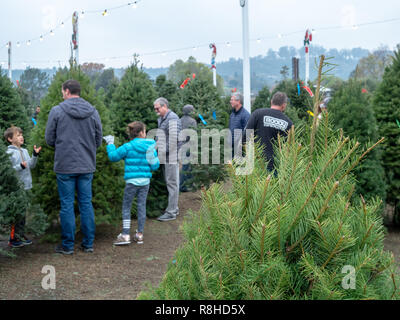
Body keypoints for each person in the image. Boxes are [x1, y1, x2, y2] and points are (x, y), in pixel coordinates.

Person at [45, 79, 102, 255]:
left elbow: (49, 139)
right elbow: (98, 140)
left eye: (63, 91)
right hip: (86, 165)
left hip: (65, 165)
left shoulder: (57, 111)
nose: (62, 94)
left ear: (67, 91)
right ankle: (88, 244)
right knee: (86, 203)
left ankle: (68, 246)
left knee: (67, 205)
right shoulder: (93, 112)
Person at [103, 121, 159, 246]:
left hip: (131, 182)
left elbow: (113, 157)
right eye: (145, 130)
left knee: (127, 207)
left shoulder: (128, 146)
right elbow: (155, 166)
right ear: (141, 133)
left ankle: (125, 234)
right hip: (145, 182)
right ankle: (139, 235)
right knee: (141, 206)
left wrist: (110, 143)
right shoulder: (150, 147)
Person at [4, 126, 41, 248]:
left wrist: (34, 155)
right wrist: (20, 166)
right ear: (10, 139)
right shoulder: (8, 153)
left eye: (21, 135)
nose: (21, 137)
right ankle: (13, 238)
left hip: (26, 186)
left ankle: (20, 234)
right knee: (17, 213)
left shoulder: (24, 151)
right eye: (18, 135)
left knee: (23, 213)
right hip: (16, 188)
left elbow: (31, 165)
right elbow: (8, 171)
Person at [244, 91, 293, 173]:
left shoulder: (258, 113)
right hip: (276, 166)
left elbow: (246, 135)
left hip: (256, 161)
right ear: (284, 105)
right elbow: (288, 147)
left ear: (271, 102)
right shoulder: (288, 123)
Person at [153, 97, 182, 222]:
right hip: (165, 155)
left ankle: (171, 212)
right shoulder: (162, 118)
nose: (156, 111)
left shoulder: (173, 119)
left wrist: (160, 150)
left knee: (172, 183)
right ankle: (173, 208)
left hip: (172, 156)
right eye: (155, 109)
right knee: (170, 182)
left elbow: (173, 140)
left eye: (158, 108)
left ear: (165, 106)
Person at [179, 104, 197, 192]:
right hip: (189, 146)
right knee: (186, 166)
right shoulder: (192, 121)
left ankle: (190, 183)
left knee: (186, 165)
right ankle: (182, 186)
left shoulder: (180, 120)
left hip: (181, 145)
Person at [229, 93, 250, 157]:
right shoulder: (232, 114)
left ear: (238, 101)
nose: (230, 102)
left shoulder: (245, 115)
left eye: (232, 100)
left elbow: (247, 132)